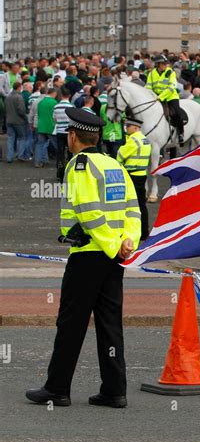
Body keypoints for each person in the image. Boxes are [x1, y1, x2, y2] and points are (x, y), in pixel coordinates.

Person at [25, 108, 141, 408]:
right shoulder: (115, 165)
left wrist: (111, 244)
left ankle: (57, 388)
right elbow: (133, 209)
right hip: (115, 258)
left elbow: (90, 212)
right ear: (98, 136)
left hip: (89, 254)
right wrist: (127, 242)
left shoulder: (79, 166)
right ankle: (115, 390)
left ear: (72, 136)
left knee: (71, 323)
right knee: (110, 323)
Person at [117, 117, 151, 241]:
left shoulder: (133, 140)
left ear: (135, 127)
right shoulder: (144, 139)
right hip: (142, 174)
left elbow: (120, 156)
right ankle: (144, 231)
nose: (126, 128)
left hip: (131, 176)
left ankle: (131, 231)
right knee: (142, 205)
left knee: (128, 205)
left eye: (128, 126)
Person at [146, 54, 184, 145]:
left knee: (177, 113)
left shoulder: (170, 72)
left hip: (170, 97)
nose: (165, 65)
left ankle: (181, 133)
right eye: (163, 64)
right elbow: (148, 86)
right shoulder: (151, 73)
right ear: (158, 64)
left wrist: (160, 97)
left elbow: (171, 87)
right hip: (156, 97)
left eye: (166, 63)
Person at [53, 87, 74, 182]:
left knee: (60, 152)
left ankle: (59, 171)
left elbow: (55, 119)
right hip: (68, 132)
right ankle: (69, 171)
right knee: (70, 152)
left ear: (61, 95)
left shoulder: (56, 106)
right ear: (69, 95)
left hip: (59, 131)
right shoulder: (71, 107)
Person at [5, 81, 29, 163]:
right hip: (18, 121)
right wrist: (25, 119)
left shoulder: (7, 97)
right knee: (21, 138)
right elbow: (21, 110)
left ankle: (9, 157)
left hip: (9, 120)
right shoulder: (19, 97)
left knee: (10, 139)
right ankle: (20, 155)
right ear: (19, 87)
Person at [35, 87, 58, 168]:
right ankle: (60, 162)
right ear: (54, 93)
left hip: (41, 126)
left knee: (40, 144)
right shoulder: (54, 102)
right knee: (56, 145)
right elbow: (55, 116)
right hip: (51, 127)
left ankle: (38, 162)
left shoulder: (40, 102)